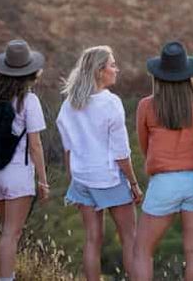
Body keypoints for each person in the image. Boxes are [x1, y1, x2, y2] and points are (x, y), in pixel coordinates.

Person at [133, 41, 193, 281]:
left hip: (164, 182)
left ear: (159, 76)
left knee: (142, 250)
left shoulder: (147, 106)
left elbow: (144, 145)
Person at [57, 46, 142, 281]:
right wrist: (134, 184)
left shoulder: (68, 105)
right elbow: (121, 153)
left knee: (92, 239)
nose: (117, 69)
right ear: (99, 71)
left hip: (81, 178)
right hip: (110, 178)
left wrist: (72, 179)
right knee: (129, 237)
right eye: (112, 65)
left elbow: (68, 150)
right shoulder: (111, 103)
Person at [0, 39, 50, 281]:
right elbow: (36, 145)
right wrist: (43, 180)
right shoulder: (28, 101)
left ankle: (6, 275)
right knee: (11, 234)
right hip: (17, 175)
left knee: (5, 232)